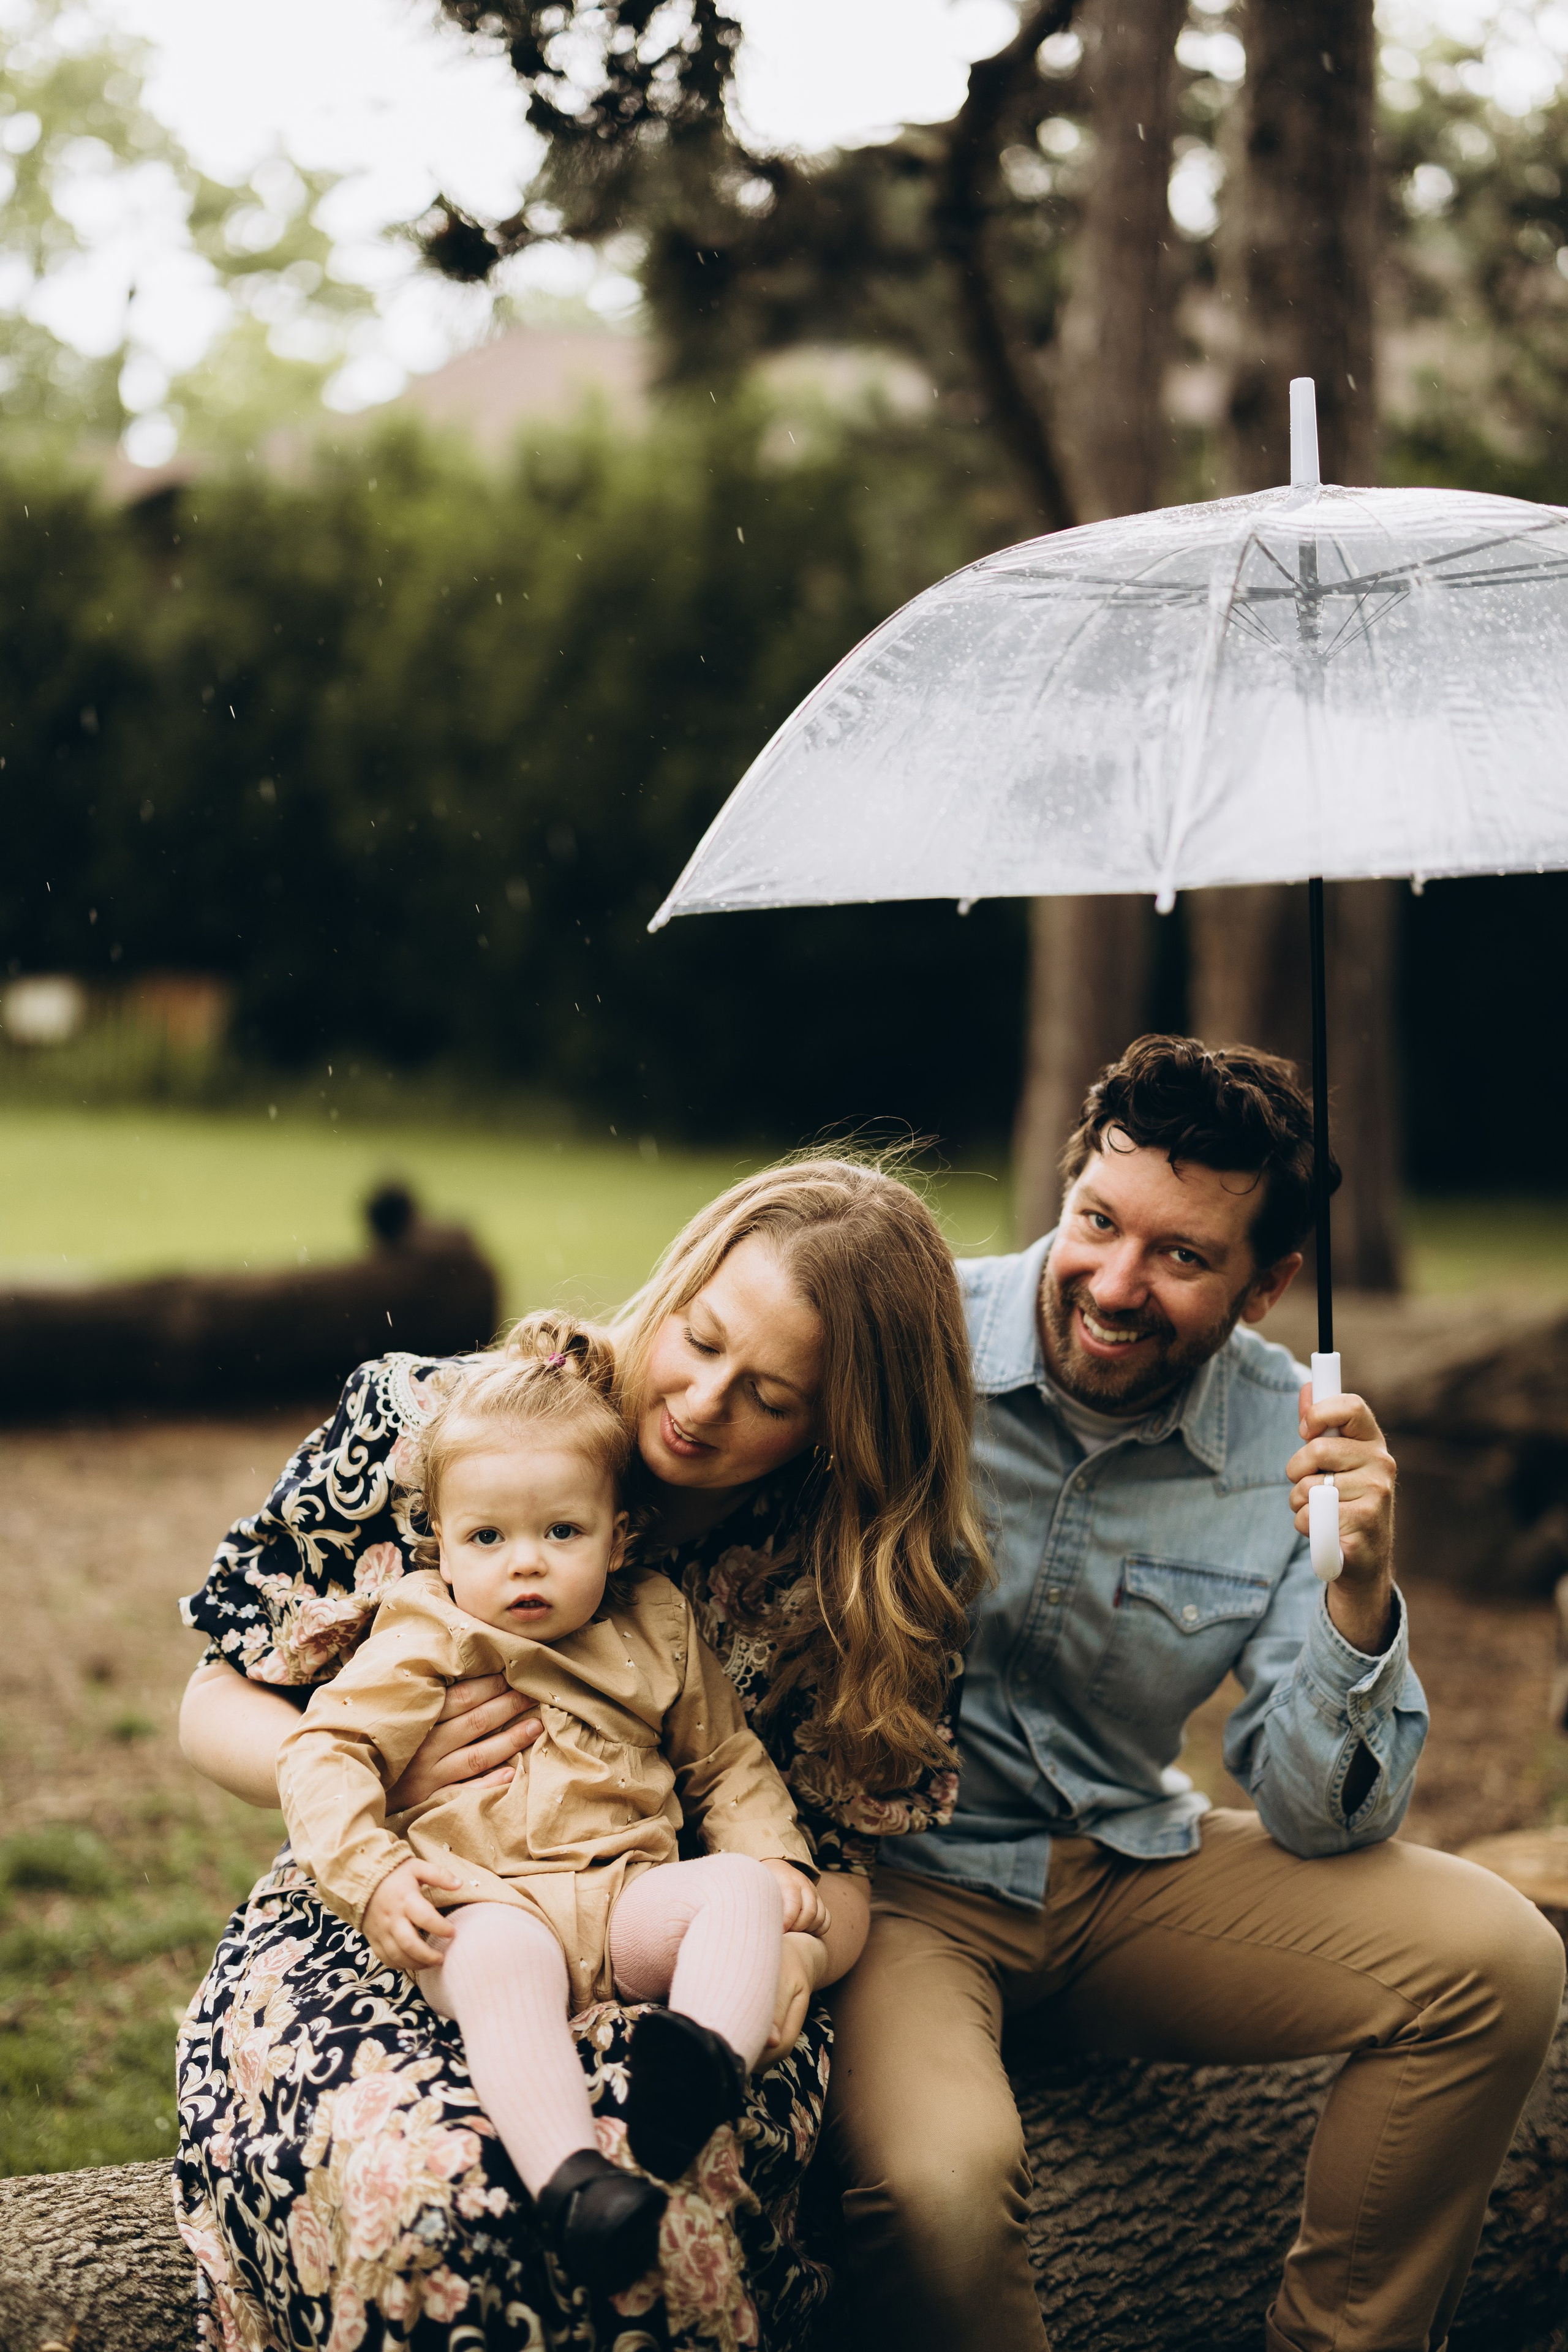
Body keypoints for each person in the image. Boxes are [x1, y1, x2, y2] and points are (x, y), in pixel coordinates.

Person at [826, 1037, 1567, 2352]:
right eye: (1097, 1222)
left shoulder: (1293, 1436)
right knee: (941, 2189)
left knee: (1500, 1963)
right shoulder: (903, 1339)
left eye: (1181, 1255)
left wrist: (1356, 1595)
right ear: (1066, 1191)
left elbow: (1321, 1818)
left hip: (1123, 1870)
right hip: (899, 1892)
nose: (1115, 1284)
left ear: (1268, 1284)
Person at [175, 1156, 986, 2352]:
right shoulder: (449, 1426)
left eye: (771, 1397)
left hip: (663, 1946)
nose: (702, 1401)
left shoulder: (848, 1577)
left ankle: (680, 2095)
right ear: (683, 1278)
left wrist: (791, 1948)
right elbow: (212, 1699)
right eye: (700, 1339)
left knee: (663, 2208)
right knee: (438, 2191)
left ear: (839, 1429)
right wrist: (379, 1783)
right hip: (405, 1912)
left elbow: (830, 1864)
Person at [276, 1315, 823, 2295]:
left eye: (561, 1532)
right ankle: (574, 2183)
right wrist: (375, 1875)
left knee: (741, 1891)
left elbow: (725, 1761)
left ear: (619, 1540)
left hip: (627, 1901)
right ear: (443, 1549)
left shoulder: (655, 1623)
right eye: (488, 1537)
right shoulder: (427, 1630)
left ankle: (697, 2071)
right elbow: (328, 1750)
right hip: (490, 1897)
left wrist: (777, 1860)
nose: (524, 1562)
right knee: (494, 1964)